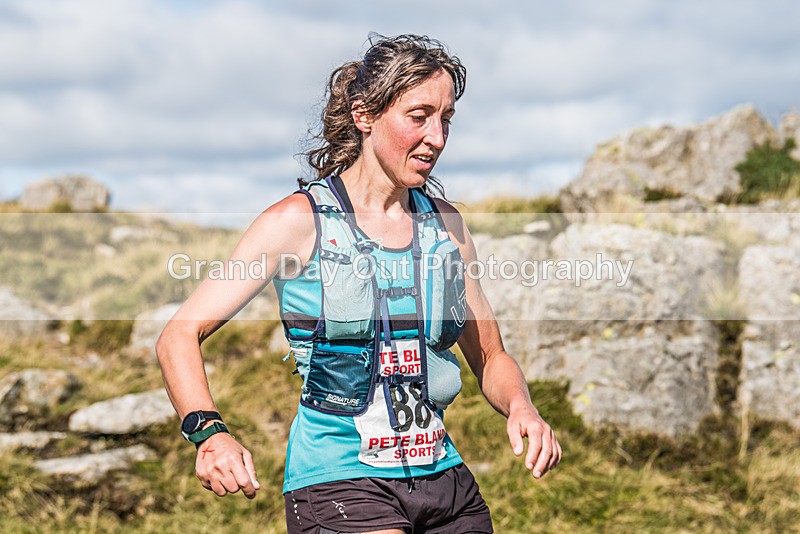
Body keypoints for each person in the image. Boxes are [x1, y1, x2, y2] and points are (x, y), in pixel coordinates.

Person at [156, 33, 561, 534]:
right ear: (364, 114)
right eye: (418, 117)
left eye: (446, 118)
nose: (436, 136)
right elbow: (179, 335)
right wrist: (210, 435)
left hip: (445, 483)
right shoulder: (296, 223)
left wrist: (522, 406)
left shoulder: (448, 229)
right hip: (338, 483)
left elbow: (491, 356)